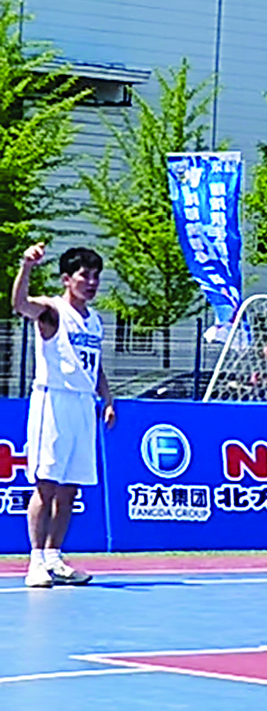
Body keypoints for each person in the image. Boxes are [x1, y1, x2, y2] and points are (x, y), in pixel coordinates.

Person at [12, 244, 113, 588]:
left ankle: (55, 557)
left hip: (84, 405)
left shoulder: (95, 321)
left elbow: (95, 365)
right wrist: (26, 266)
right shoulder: (53, 310)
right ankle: (35, 562)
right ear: (67, 279)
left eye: (96, 276)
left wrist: (107, 398)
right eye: (85, 275)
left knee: (70, 488)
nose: (92, 282)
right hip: (53, 401)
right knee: (47, 484)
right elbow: (20, 305)